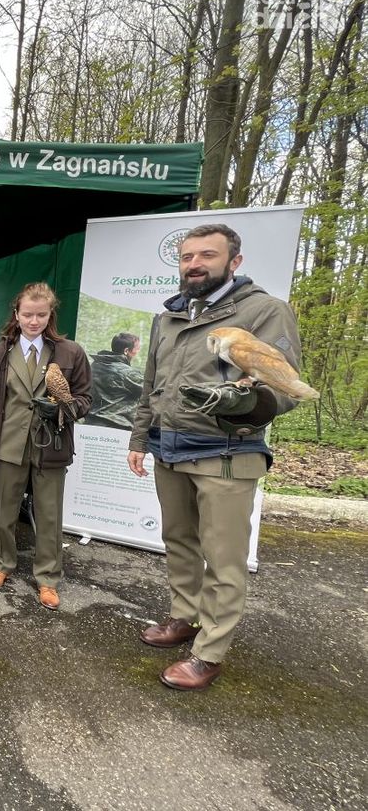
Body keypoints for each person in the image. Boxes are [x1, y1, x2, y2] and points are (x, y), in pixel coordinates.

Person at [128, 223, 305, 691]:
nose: (195, 264)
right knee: (179, 541)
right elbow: (151, 387)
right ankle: (184, 617)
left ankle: (210, 651)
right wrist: (139, 439)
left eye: (207, 254)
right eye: (187, 257)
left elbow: (285, 388)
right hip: (170, 448)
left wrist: (242, 401)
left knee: (223, 559)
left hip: (225, 452)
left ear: (234, 261)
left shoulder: (263, 311)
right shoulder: (167, 318)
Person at [0, 282, 92, 610]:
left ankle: (48, 578)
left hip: (51, 444)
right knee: (4, 511)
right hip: (8, 444)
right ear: (16, 314)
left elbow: (86, 399)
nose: (34, 321)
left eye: (41, 314)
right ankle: (1, 565)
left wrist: (64, 409)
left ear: (50, 314)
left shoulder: (71, 352)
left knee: (49, 514)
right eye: (27, 314)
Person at [88, 332, 144, 430]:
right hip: (118, 427)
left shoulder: (94, 366)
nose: (138, 351)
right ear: (126, 351)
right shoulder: (129, 374)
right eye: (137, 348)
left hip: (90, 423)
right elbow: (149, 393)